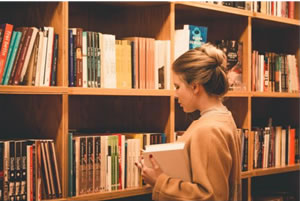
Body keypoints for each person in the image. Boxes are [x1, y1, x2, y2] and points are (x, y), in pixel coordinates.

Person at [135, 43, 242, 201]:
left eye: (177, 86)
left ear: (195, 87)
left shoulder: (208, 129)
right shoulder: (223, 117)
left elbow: (211, 196)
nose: (175, 94)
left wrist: (160, 182)